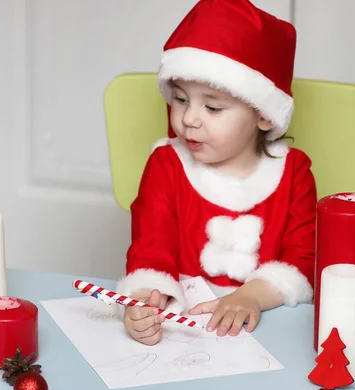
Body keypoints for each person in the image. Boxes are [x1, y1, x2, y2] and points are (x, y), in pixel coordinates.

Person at [116, 0, 317, 345]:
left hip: (271, 333)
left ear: (264, 114)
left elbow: (303, 258)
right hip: (183, 333)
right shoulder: (167, 164)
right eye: (180, 99)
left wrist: (252, 295)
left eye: (211, 106)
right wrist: (145, 303)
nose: (189, 119)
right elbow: (151, 247)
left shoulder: (294, 171)